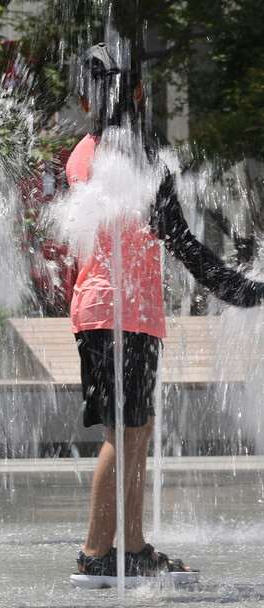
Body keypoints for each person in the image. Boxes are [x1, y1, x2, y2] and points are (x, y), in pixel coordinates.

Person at [68, 42, 264, 580]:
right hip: (123, 313)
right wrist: (244, 290)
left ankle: (131, 549)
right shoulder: (141, 158)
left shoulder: (84, 155)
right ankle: (94, 555)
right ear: (134, 91)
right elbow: (183, 243)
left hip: (103, 311)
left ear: (88, 100)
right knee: (123, 430)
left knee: (135, 428)